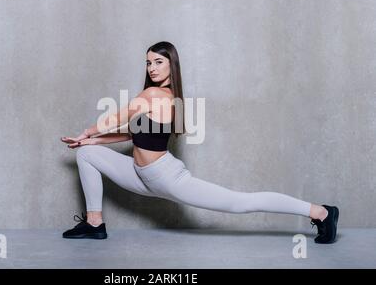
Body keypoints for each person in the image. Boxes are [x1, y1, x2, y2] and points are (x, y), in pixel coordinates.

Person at [60, 41, 339, 243]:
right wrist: (92, 140)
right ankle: (94, 223)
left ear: (171, 64)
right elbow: (132, 133)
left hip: (167, 178)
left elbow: (121, 116)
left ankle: (321, 212)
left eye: (159, 61)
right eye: (148, 62)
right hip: (139, 174)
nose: (152, 67)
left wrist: (87, 131)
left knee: (239, 203)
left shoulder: (156, 95)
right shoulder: (160, 97)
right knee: (86, 153)